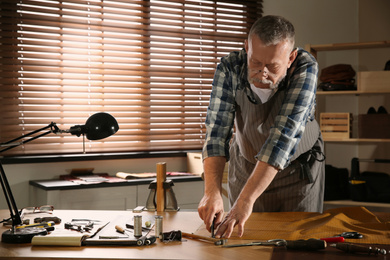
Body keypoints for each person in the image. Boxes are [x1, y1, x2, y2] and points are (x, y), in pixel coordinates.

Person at [197, 15, 325, 239]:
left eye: (272, 66)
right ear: (246, 48)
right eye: (255, 62)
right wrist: (211, 192)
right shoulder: (229, 68)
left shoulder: (305, 67)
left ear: (290, 58)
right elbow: (216, 133)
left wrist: (245, 200)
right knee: (245, 240)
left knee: (297, 243)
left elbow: (283, 137)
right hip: (245, 165)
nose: (262, 73)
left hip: (297, 171)